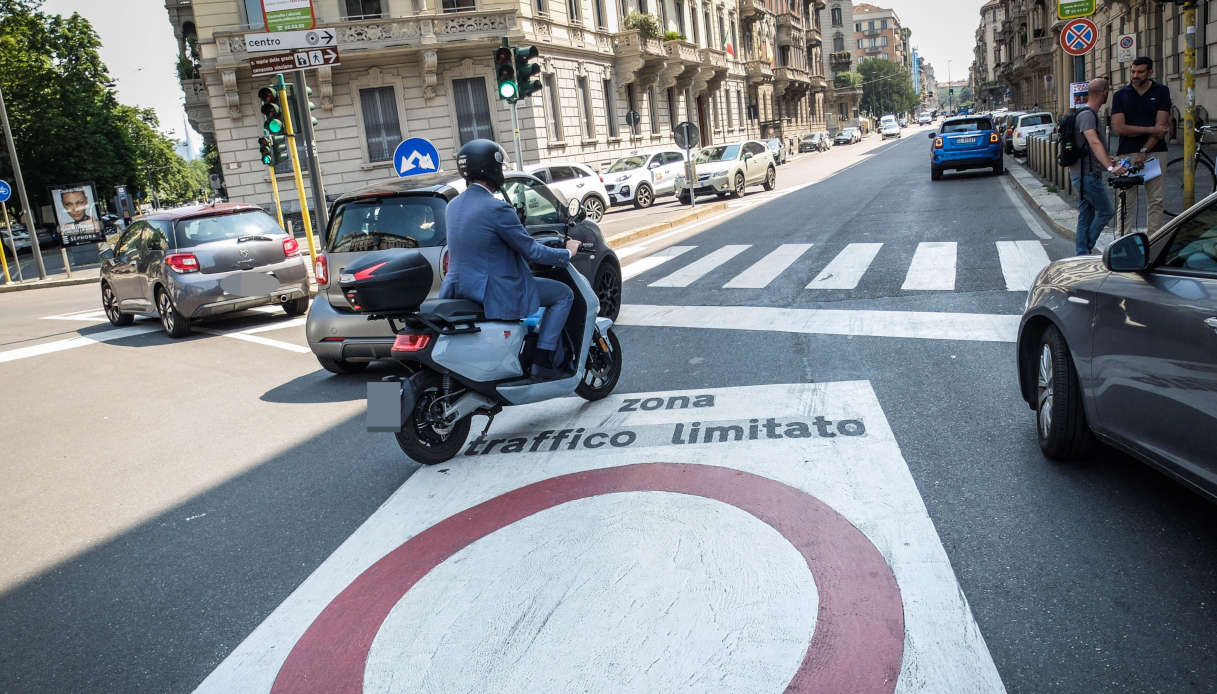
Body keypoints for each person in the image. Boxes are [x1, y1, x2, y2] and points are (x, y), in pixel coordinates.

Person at [440, 139, 581, 380]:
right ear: (492, 170)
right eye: (501, 168)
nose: (502, 173)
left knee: (386, 400)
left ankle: (382, 416)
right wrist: (567, 253)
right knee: (563, 294)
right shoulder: (496, 208)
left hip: (458, 288)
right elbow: (532, 252)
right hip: (493, 290)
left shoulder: (452, 206)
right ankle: (543, 360)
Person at [1112, 56, 1172, 235]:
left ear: (1150, 72)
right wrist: (1151, 129)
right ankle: (1122, 242)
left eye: (1140, 72)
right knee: (1125, 202)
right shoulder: (1120, 95)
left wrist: (1144, 150)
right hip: (1126, 153)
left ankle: (1153, 242)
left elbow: (1161, 129)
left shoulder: (1161, 92)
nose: (1135, 75)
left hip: (1155, 153)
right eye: (1132, 72)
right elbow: (1120, 128)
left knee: (1156, 201)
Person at [1071, 78, 1129, 255]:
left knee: (1086, 215)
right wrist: (1111, 168)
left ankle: (1081, 253)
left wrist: (1106, 160)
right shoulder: (1088, 115)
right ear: (1105, 92)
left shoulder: (1087, 113)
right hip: (1086, 175)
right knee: (1106, 211)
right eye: (1108, 92)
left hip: (1083, 173)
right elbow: (1093, 141)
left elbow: (1091, 147)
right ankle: (1085, 248)